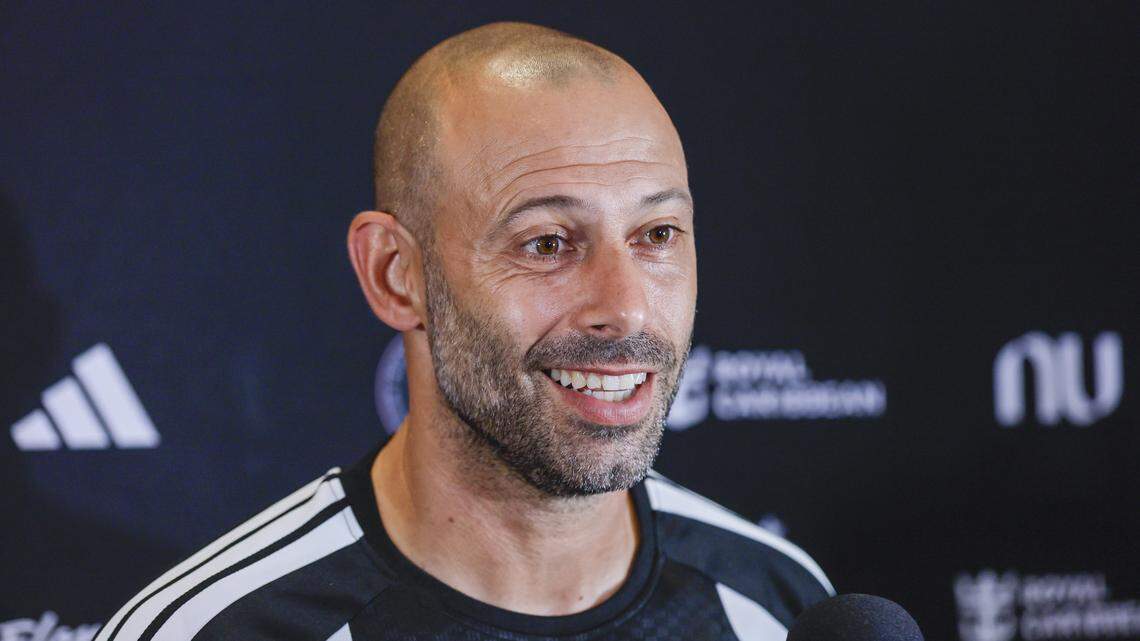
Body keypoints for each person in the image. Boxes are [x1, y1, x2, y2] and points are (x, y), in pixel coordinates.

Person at [96, 22, 832, 641]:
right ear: (395, 274)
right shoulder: (218, 630)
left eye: (658, 234)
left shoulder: (779, 603)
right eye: (547, 243)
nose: (628, 308)